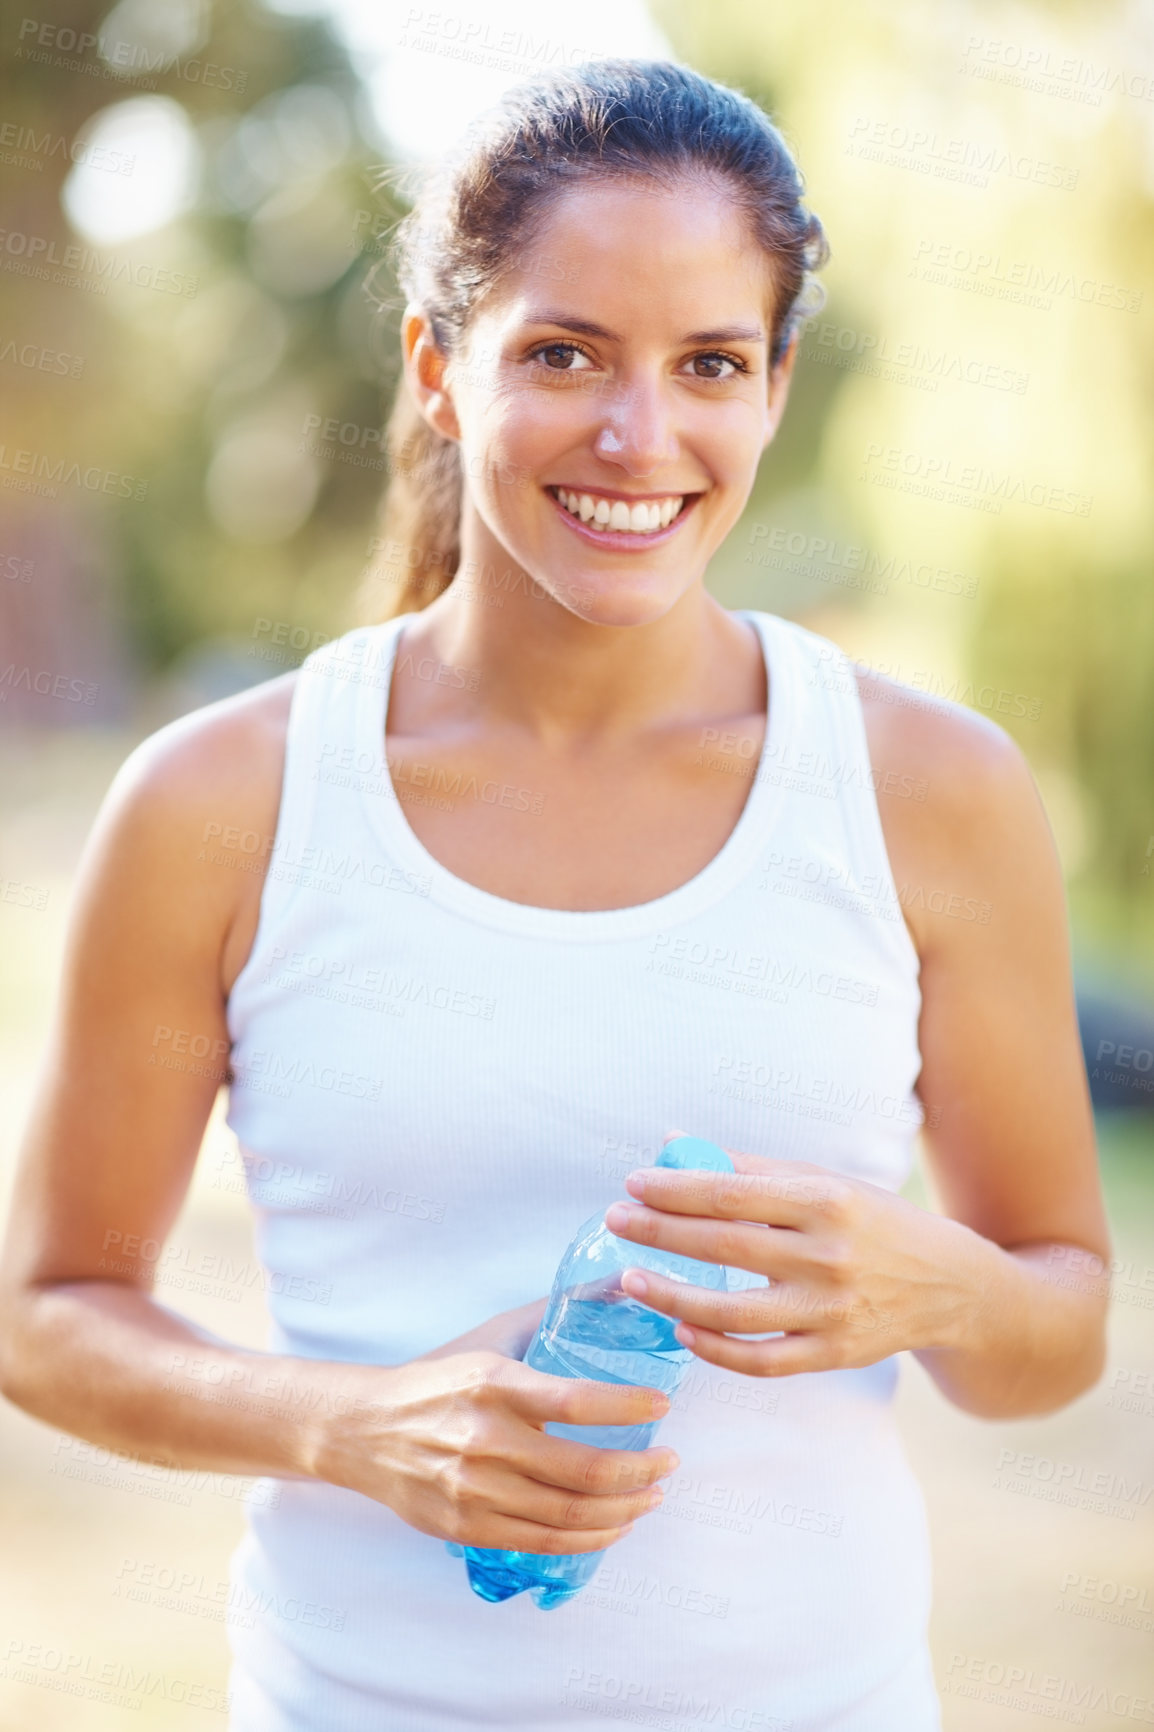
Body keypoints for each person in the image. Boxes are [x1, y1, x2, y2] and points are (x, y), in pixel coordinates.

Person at [0, 58, 1111, 1732]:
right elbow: (46, 1311)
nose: (636, 436)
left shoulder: (927, 792)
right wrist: (354, 1424)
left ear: (773, 390)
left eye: (709, 365)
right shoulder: (226, 801)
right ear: (439, 371)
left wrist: (936, 1284)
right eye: (563, 353)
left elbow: (1056, 1323)